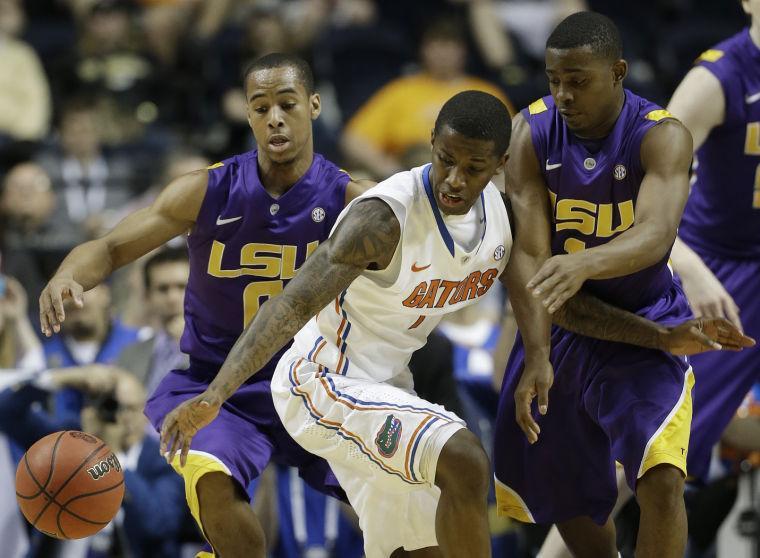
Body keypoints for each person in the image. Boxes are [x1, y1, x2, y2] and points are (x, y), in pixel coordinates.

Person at [159, 90, 748, 558]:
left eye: (473, 167)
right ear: (430, 144)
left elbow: (557, 304)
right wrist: (216, 395)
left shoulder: (506, 220)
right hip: (320, 380)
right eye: (445, 159)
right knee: (465, 458)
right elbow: (287, 304)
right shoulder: (380, 218)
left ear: (499, 167)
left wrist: (647, 338)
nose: (454, 180)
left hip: (388, 388)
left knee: (422, 551)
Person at [39, 53, 372, 557]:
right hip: (218, 384)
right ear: (247, 114)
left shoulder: (351, 198)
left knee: (403, 509)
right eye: (260, 108)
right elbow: (110, 248)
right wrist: (66, 275)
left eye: (287, 104)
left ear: (315, 105)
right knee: (213, 477)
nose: (274, 118)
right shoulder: (208, 189)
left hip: (315, 381)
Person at [491, 11, 755, 558]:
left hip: (647, 312)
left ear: (618, 72)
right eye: (554, 80)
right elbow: (532, 258)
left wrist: (583, 264)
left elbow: (657, 234)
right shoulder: (530, 132)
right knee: (571, 504)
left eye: (578, 81)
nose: (563, 94)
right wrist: (536, 350)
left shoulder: (660, 134)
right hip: (564, 321)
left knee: (661, 475)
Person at [666, 0, 760, 487]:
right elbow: (639, 189)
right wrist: (690, 266)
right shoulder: (717, 78)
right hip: (718, 267)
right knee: (657, 446)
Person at [0, 367, 187, 558]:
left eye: (129, 408)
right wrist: (63, 377)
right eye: (110, 407)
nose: (120, 418)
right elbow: (7, 412)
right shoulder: (71, 439)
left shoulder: (164, 460)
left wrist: (110, 455)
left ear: (146, 411)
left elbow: (158, 525)